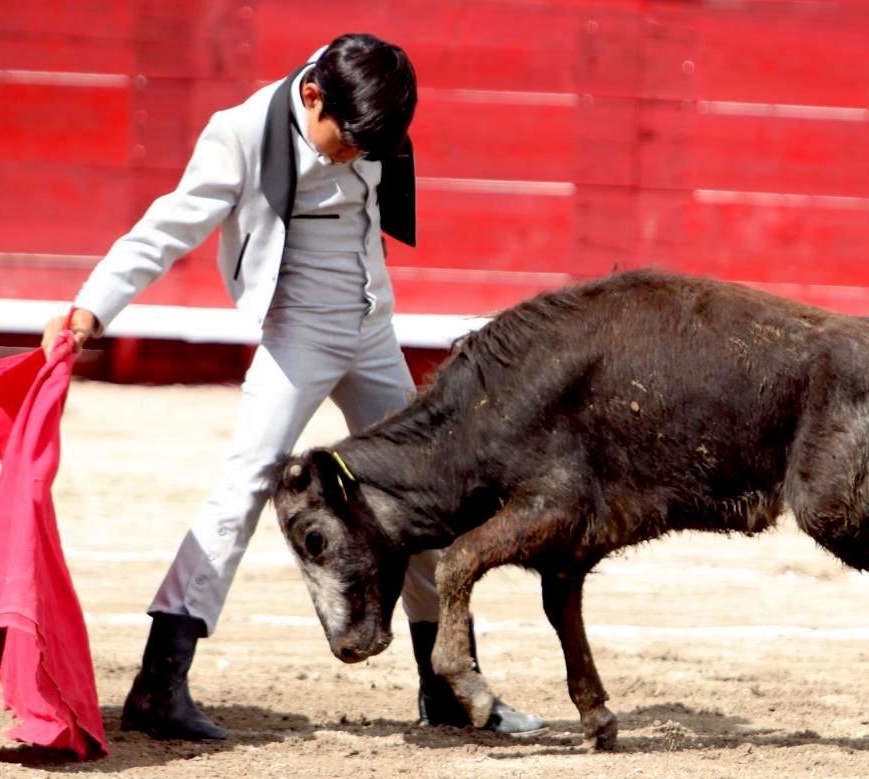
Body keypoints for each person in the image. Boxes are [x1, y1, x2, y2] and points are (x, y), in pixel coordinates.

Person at [41, 33, 544, 742]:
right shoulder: (241, 133)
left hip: (373, 328)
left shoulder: (370, 99)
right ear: (311, 97)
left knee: (429, 497)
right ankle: (159, 682)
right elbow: (167, 226)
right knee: (244, 485)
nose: (356, 155)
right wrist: (92, 306)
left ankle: (447, 684)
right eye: (347, 142)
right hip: (298, 334)